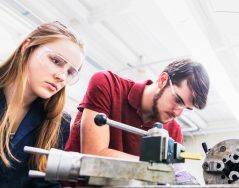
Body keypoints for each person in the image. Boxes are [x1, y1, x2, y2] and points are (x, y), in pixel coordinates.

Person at [66, 59, 209, 162]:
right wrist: (156, 167)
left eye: (186, 108)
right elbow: (94, 156)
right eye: (178, 100)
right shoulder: (107, 84)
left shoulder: (173, 131)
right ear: (163, 80)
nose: (178, 113)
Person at [0, 21, 85, 187]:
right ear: (27, 47)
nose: (62, 76)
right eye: (55, 60)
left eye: (70, 72)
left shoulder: (59, 124)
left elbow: (44, 183)